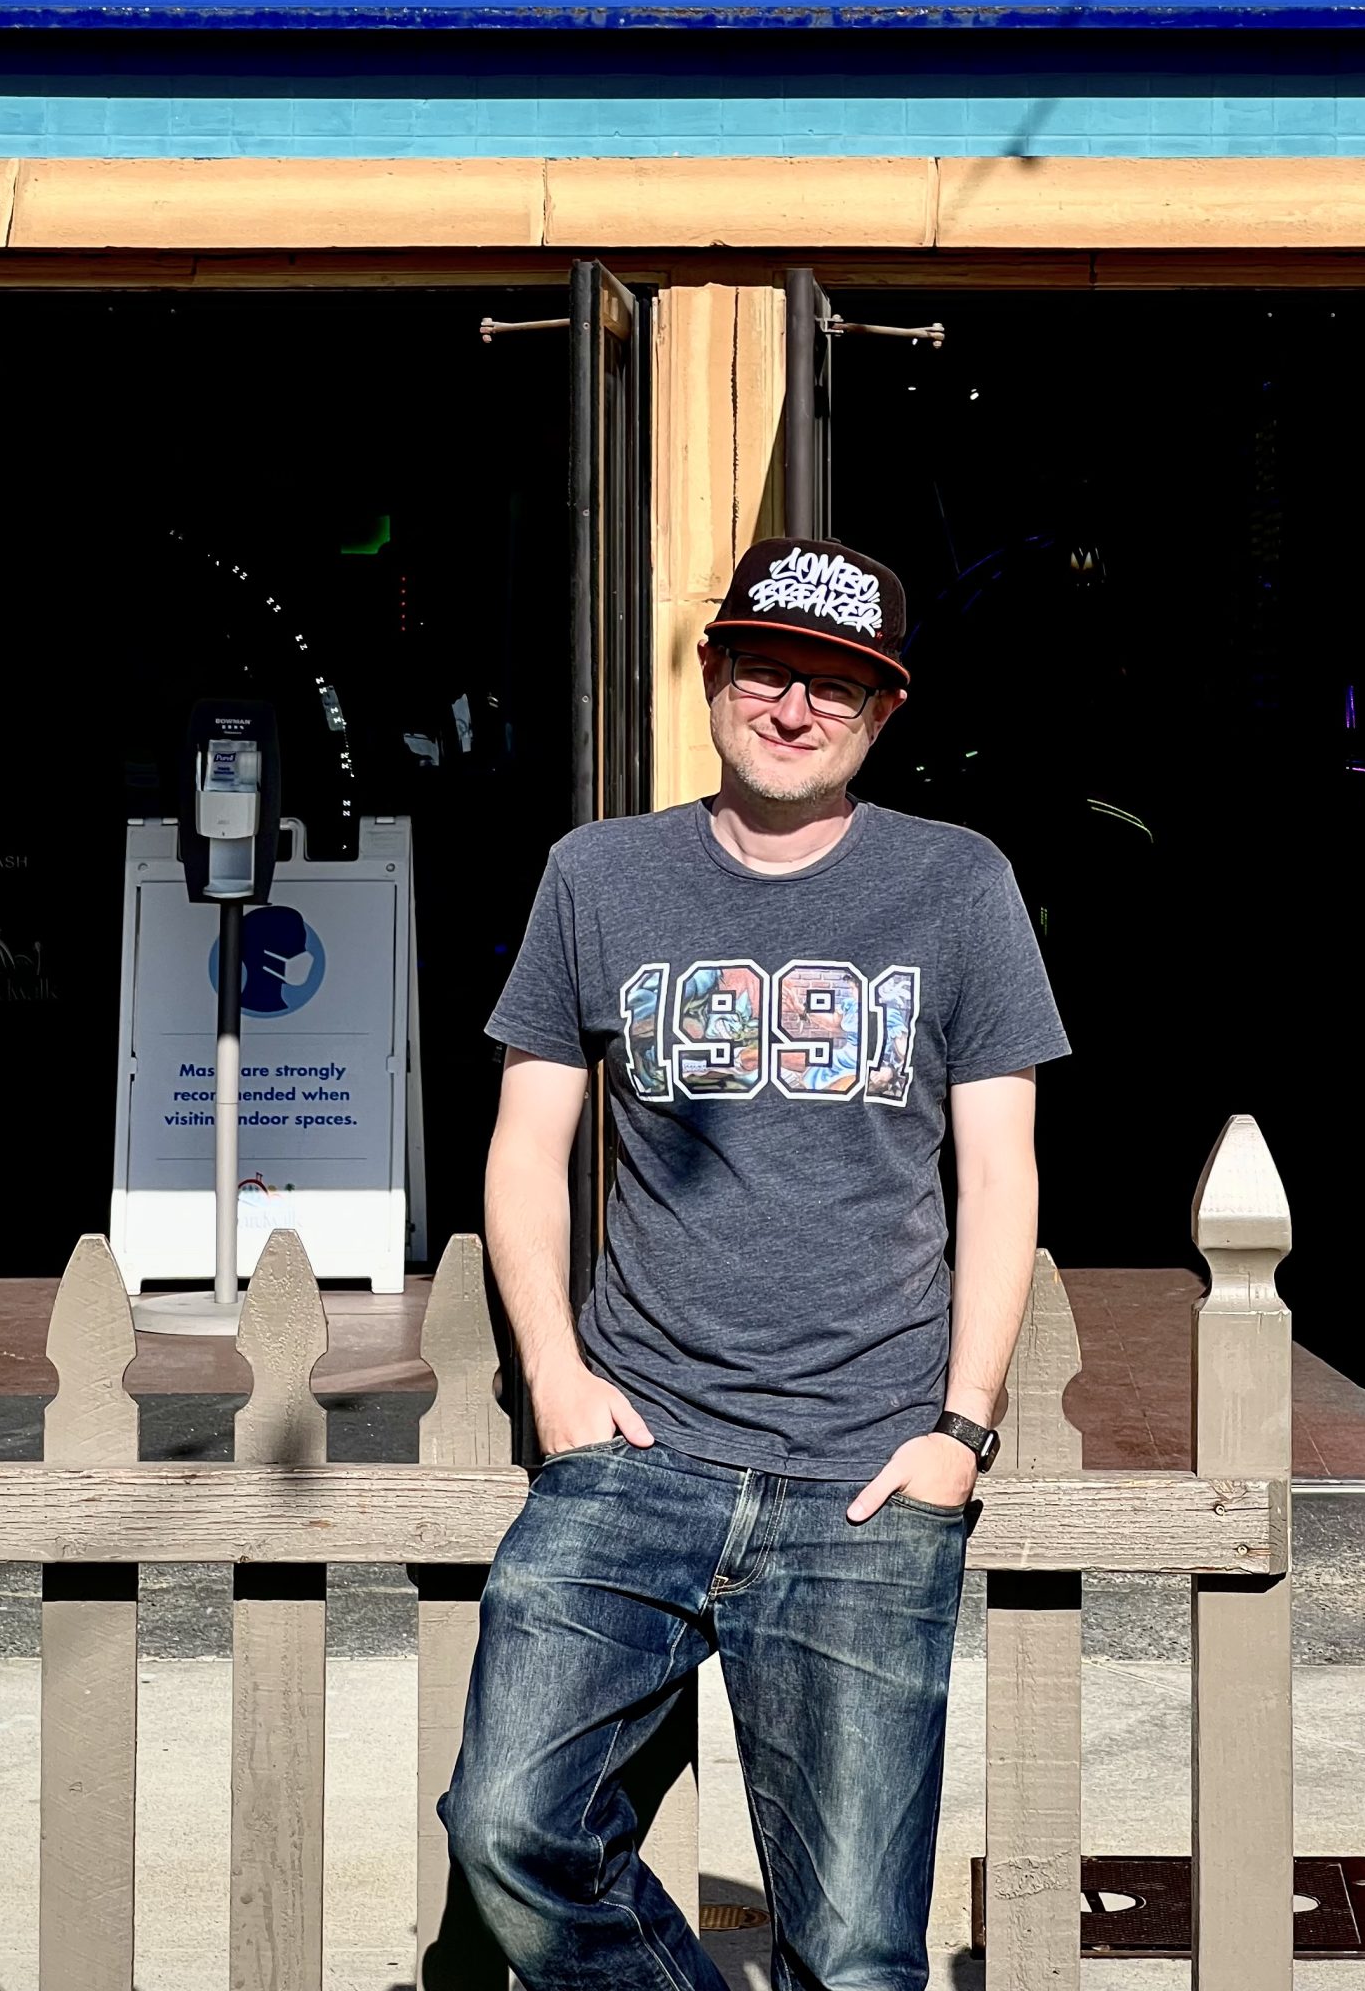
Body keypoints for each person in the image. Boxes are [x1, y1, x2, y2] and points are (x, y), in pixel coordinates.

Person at [440, 536, 1068, 1990]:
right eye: (769, 669)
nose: (795, 707)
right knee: (511, 1828)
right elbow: (527, 1145)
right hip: (633, 1457)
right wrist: (554, 1376)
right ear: (714, 676)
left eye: (836, 687)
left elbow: (1000, 1171)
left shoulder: (955, 884)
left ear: (882, 715)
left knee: (852, 1953)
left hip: (864, 1472)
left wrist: (960, 1432)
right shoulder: (598, 875)